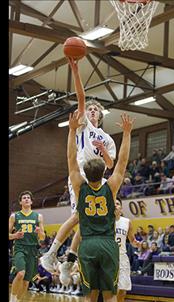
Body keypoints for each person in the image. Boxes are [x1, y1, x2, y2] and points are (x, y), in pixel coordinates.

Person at [40, 56, 117, 278]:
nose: (91, 111)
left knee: (87, 221)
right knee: (77, 217)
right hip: (80, 175)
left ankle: (68, 260)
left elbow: (110, 165)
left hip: (98, 179)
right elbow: (81, 97)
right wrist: (75, 70)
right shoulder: (82, 126)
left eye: (95, 110)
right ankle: (51, 253)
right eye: (90, 109)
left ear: (101, 115)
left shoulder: (107, 139)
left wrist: (102, 149)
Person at [64, 110, 134, 302]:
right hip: (107, 244)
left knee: (89, 297)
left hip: (87, 244)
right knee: (110, 296)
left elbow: (70, 158)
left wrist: (71, 131)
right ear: (104, 172)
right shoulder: (110, 188)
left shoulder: (79, 186)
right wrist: (127, 133)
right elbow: (121, 163)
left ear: (86, 172)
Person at [8, 191, 46, 302]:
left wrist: (40, 231)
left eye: (28, 198)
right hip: (19, 248)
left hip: (32, 250)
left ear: (31, 201)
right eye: (24, 198)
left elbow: (42, 237)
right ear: (20, 202)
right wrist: (15, 235)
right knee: (20, 273)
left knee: (26, 283)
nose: (26, 199)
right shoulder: (15, 216)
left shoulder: (38, 216)